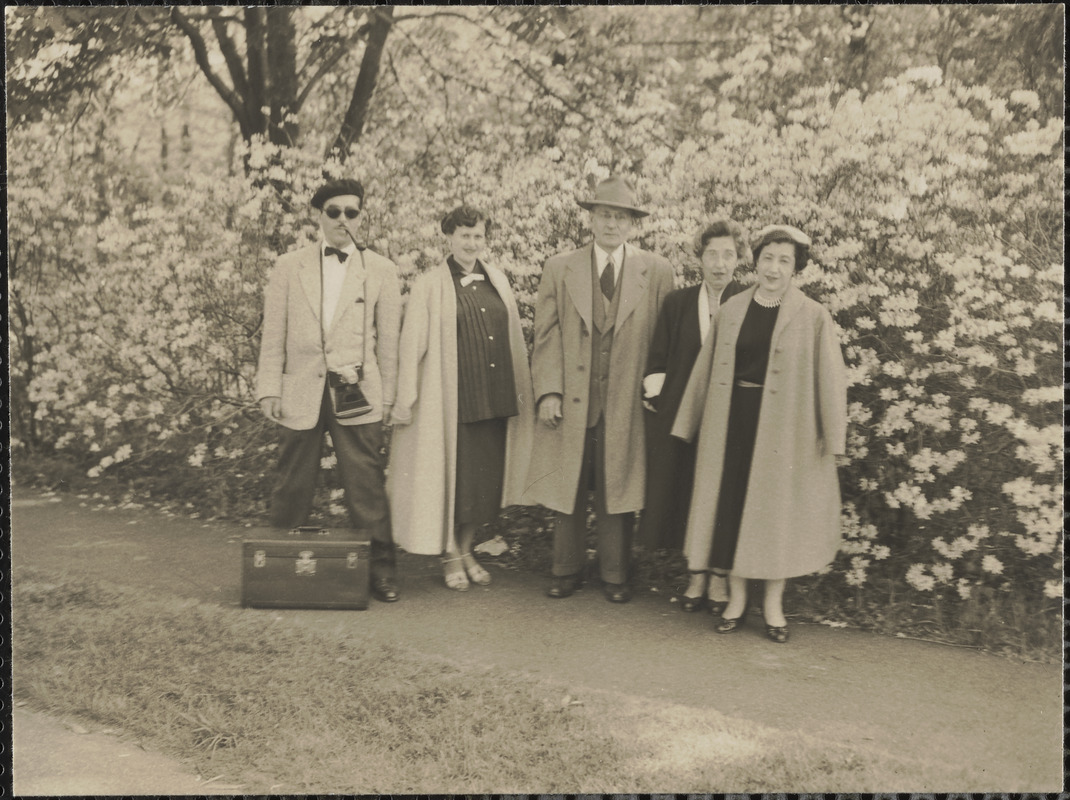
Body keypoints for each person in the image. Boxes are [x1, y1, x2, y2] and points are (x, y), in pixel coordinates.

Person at [672, 224, 847, 642]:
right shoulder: (733, 309)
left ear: (796, 268)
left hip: (784, 432)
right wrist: (687, 423)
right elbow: (705, 369)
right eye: (767, 258)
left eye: (784, 261)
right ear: (756, 261)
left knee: (775, 519)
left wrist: (834, 438)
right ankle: (735, 600)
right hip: (732, 423)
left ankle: (772, 607)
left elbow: (831, 380)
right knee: (730, 511)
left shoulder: (813, 316)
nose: (773, 268)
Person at [526, 176, 675, 603]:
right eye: (605, 215)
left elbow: (664, 340)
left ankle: (615, 574)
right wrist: (549, 390)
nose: (612, 224)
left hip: (627, 398)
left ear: (633, 224)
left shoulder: (658, 271)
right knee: (568, 482)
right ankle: (565, 568)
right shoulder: (560, 266)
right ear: (591, 219)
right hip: (573, 396)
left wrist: (655, 388)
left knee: (617, 483)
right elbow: (546, 334)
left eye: (621, 217)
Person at [256, 177, 402, 604]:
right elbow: (273, 335)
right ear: (318, 217)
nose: (343, 220)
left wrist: (388, 397)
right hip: (299, 388)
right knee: (291, 482)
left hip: (359, 393)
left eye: (351, 212)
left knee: (366, 485)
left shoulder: (381, 270)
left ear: (361, 216)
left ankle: (382, 571)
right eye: (333, 212)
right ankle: (277, 569)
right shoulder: (288, 266)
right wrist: (269, 387)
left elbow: (389, 342)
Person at [388, 205, 534, 591]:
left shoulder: (498, 280)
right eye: (465, 236)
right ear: (449, 237)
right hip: (452, 401)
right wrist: (405, 399)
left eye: (479, 236)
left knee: (482, 486)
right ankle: (451, 552)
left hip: (494, 397)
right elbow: (411, 347)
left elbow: (513, 338)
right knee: (454, 482)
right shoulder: (429, 285)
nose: (472, 243)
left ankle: (467, 547)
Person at [638, 219, 750, 614]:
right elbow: (658, 359)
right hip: (683, 414)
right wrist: (658, 395)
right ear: (698, 257)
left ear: (740, 259)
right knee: (689, 494)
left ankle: (719, 577)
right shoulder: (678, 303)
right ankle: (695, 575)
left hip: (731, 419)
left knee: (723, 496)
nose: (720, 264)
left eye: (729, 255)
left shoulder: (750, 302)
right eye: (712, 254)